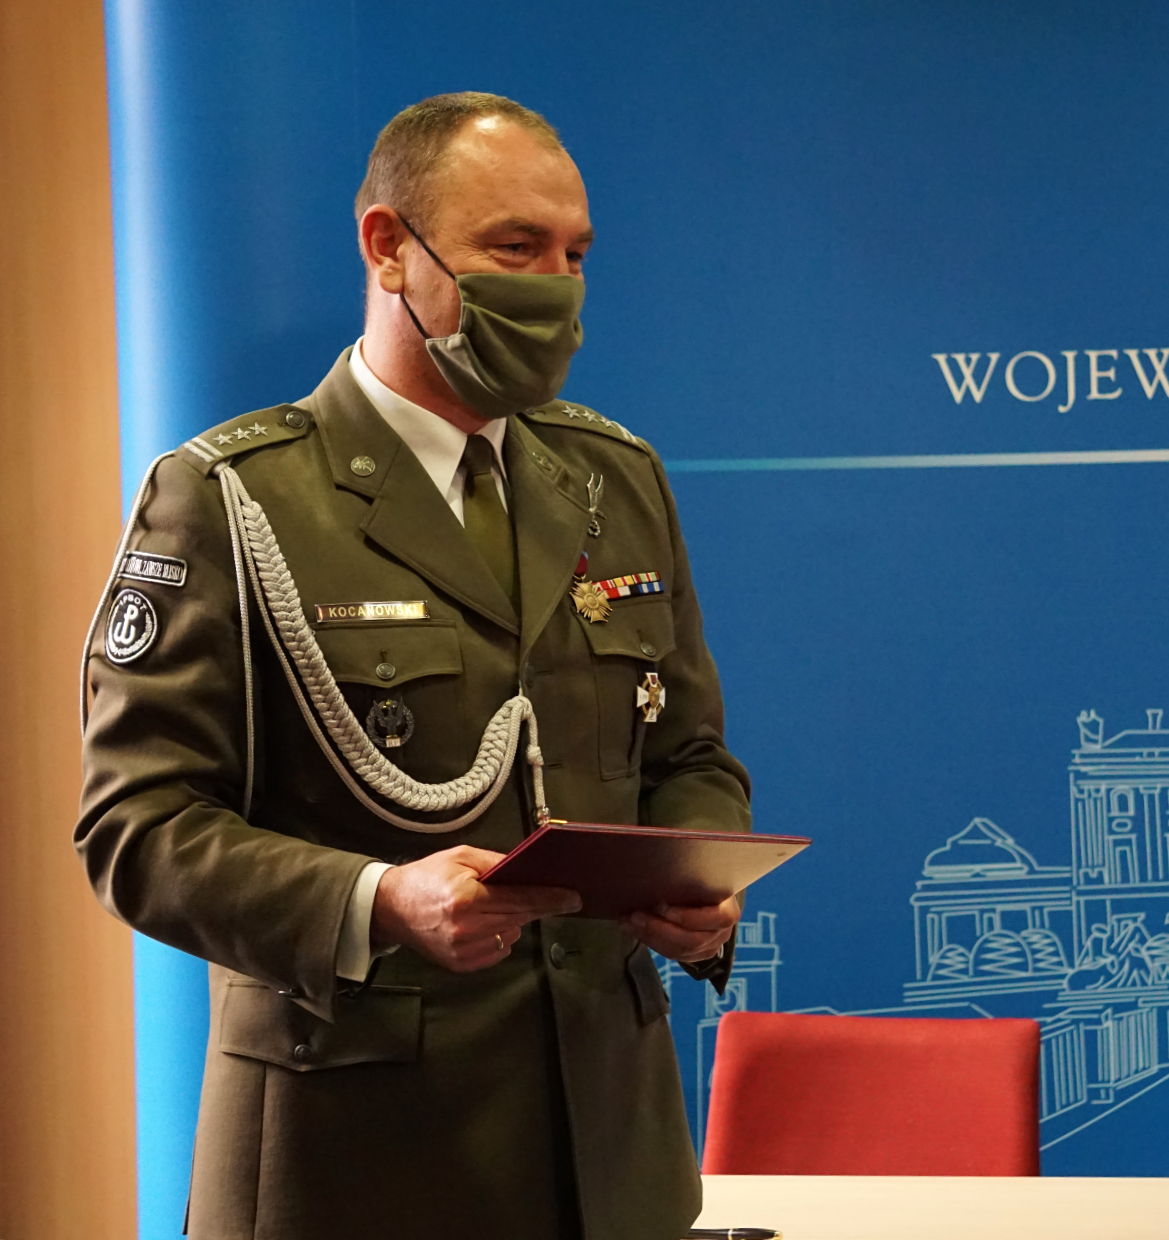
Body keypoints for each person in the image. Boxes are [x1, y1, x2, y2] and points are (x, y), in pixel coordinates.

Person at [77, 93, 751, 1240]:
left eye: (574, 254)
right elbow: (134, 828)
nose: (557, 287)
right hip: (352, 1162)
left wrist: (697, 878)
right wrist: (377, 901)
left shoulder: (615, 477)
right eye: (515, 248)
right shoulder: (231, 498)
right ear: (389, 247)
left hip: (610, 1163)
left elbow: (687, 754)